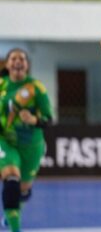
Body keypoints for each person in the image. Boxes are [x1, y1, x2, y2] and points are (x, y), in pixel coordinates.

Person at [0, 48, 53, 232]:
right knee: (11, 179)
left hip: (32, 145)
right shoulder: (1, 85)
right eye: (13, 58)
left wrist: (34, 120)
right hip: (5, 142)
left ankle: (12, 212)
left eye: (22, 58)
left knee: (22, 191)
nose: (17, 61)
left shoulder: (36, 88)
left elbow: (49, 119)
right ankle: (15, 227)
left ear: (27, 65)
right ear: (7, 65)